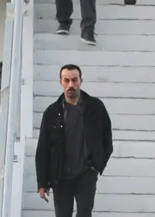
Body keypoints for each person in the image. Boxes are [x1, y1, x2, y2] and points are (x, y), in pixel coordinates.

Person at [35, 64, 114, 217]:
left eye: (74, 80)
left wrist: (97, 166)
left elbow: (107, 139)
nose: (70, 84)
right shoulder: (52, 112)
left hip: (86, 173)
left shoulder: (96, 107)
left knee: (84, 213)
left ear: (80, 81)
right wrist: (42, 182)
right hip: (60, 176)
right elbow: (43, 148)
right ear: (61, 82)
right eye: (66, 80)